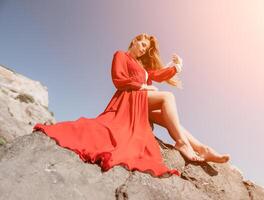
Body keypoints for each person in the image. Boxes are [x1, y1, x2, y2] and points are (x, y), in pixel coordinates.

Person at [33, 33, 230, 178]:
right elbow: (118, 80)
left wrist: (177, 66)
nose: (143, 49)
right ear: (134, 42)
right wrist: (144, 87)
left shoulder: (143, 68)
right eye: (142, 44)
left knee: (169, 118)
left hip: (140, 102)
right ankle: (182, 143)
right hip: (127, 100)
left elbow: (158, 75)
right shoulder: (121, 55)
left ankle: (202, 148)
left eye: (146, 47)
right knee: (167, 98)